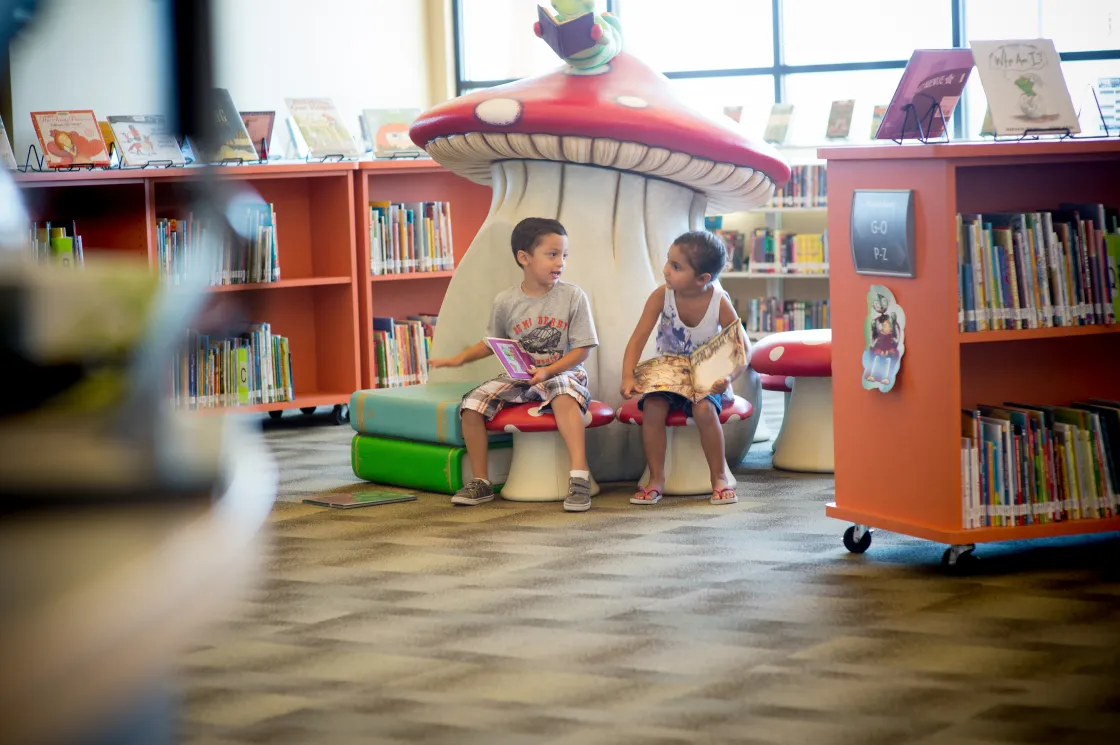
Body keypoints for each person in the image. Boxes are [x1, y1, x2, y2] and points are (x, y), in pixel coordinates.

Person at [429, 217, 599, 512]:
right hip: (523, 378)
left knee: (560, 389)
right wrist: (457, 359)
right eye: (552, 254)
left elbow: (583, 350)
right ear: (524, 258)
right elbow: (491, 343)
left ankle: (579, 476)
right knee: (472, 403)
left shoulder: (573, 296)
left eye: (564, 255)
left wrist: (548, 370)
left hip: (563, 372)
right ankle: (481, 481)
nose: (560, 262)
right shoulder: (506, 301)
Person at [619, 230, 743, 506]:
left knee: (704, 409)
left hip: (706, 374)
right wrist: (628, 375)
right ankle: (657, 478)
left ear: (702, 279)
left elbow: (740, 348)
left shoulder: (718, 301)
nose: (666, 270)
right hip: (668, 373)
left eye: (676, 267)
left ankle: (719, 477)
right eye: (668, 261)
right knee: (652, 408)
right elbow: (638, 338)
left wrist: (727, 377)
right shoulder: (661, 296)